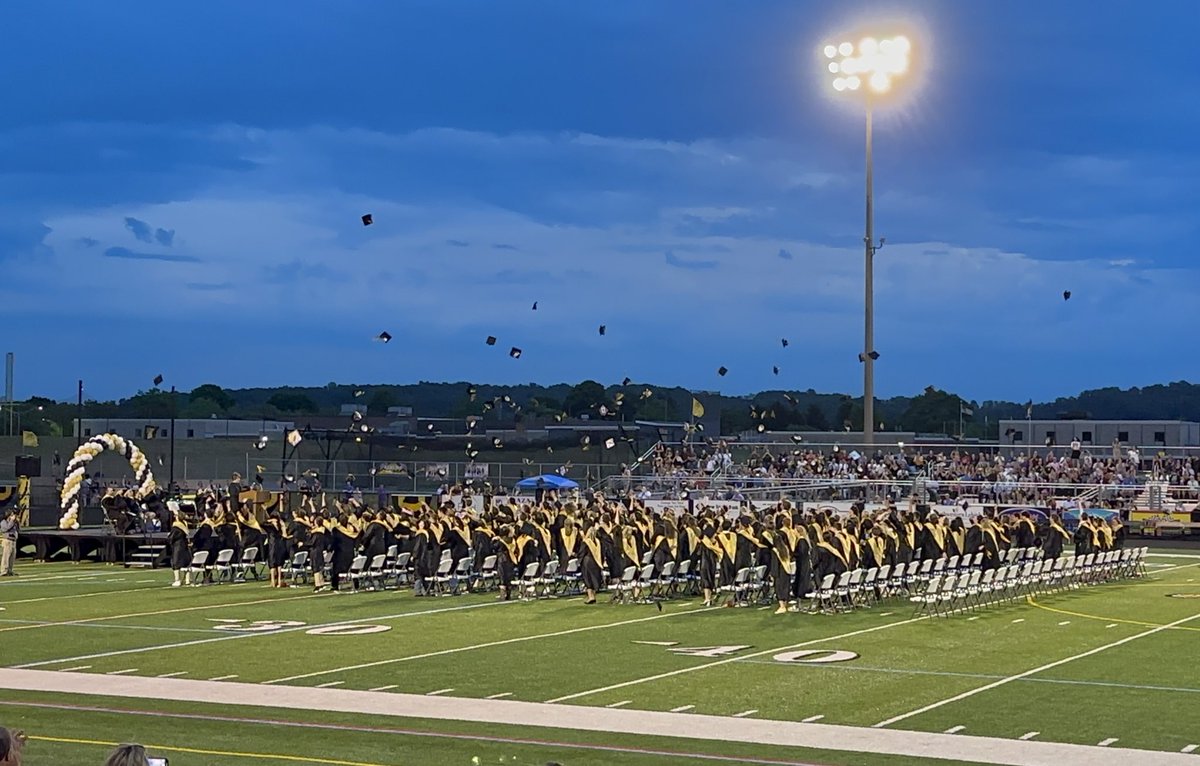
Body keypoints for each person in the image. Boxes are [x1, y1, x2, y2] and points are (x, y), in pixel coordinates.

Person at [0, 510, 18, 577]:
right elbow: (6, 528)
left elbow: (18, 529)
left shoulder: (13, 522)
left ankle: (10, 570)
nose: (13, 516)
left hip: (13, 541)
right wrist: (11, 521)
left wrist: (16, 522)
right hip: (7, 541)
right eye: (11, 515)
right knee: (6, 556)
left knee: (12, 557)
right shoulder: (3, 522)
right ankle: (4, 571)